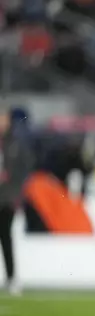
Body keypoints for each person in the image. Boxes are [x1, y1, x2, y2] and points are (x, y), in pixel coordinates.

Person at [0, 107, 35, 296]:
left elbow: (24, 170)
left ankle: (11, 277)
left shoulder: (15, 143)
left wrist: (16, 194)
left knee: (6, 238)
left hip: (7, 198)